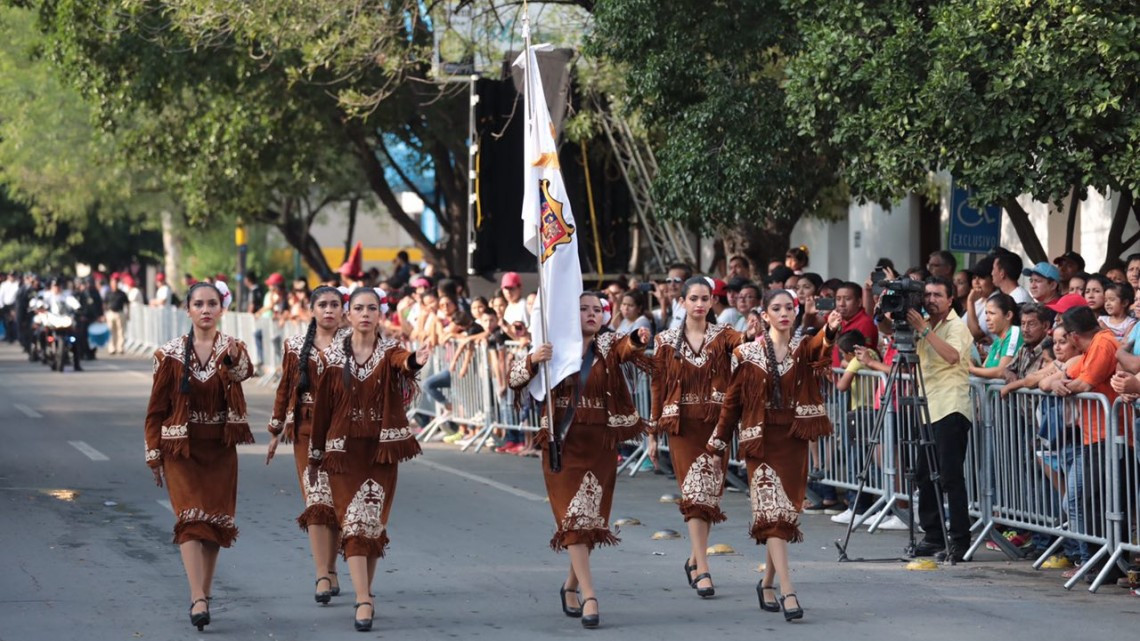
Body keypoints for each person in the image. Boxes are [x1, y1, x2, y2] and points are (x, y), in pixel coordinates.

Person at [511, 293, 650, 629]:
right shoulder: (552, 346)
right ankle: (590, 595)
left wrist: (637, 339)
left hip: (600, 445)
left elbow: (628, 348)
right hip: (563, 442)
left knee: (590, 522)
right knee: (574, 519)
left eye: (597, 310)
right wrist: (533, 359)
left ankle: (571, 584)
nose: (591, 314)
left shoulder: (608, 344)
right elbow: (515, 378)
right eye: (584, 309)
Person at [708, 290, 840, 622]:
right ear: (765, 315)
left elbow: (821, 348)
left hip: (794, 440)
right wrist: (718, 442)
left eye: (789, 308)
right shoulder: (746, 352)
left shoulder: (802, 347)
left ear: (796, 313)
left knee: (785, 516)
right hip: (760, 442)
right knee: (773, 515)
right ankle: (788, 589)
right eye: (776, 308)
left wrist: (831, 329)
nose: (784, 313)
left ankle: (766, 582)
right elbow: (732, 402)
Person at [308, 288, 429, 632]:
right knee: (355, 523)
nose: (364, 314)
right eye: (358, 308)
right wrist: (316, 457)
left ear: (380, 314)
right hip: (343, 454)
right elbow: (321, 412)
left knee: (373, 527)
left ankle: (366, 591)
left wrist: (416, 360)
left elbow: (404, 363)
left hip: (381, 453)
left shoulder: (390, 350)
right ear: (349, 314)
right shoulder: (331, 358)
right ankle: (363, 599)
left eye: (371, 308)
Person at [143, 281, 254, 631]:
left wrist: (234, 358)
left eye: (212, 304)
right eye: (198, 304)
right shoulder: (169, 354)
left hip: (220, 448)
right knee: (190, 520)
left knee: (215, 525)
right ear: (187, 310)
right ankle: (198, 596)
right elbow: (155, 410)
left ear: (222, 309)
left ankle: (203, 592)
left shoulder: (233, 348)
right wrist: (154, 453)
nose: (205, 310)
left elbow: (245, 373)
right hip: (181, 449)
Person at [648, 277, 742, 599]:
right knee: (694, 495)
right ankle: (703, 569)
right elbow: (657, 386)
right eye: (693, 298)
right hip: (682, 428)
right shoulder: (665, 340)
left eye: (705, 298)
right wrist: (651, 433)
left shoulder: (726, 337)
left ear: (713, 301)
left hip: (717, 425)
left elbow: (753, 350)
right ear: (683, 303)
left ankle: (693, 558)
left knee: (710, 498)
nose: (700, 304)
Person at [265, 286, 346, 605]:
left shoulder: (355, 344)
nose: (329, 310)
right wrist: (274, 431)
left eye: (335, 305)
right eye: (322, 304)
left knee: (338, 504)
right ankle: (321, 575)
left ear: (343, 310)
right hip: (306, 430)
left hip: (344, 430)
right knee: (316, 502)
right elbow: (285, 389)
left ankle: (333, 566)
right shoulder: (295, 345)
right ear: (311, 309)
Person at [897, 277, 974, 562]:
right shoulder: (926, 324)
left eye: (937, 295)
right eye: (927, 294)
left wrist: (925, 330)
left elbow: (952, 356)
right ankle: (933, 536)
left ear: (950, 299)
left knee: (949, 477)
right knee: (923, 474)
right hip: (927, 407)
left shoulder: (956, 326)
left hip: (951, 407)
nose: (931, 299)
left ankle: (960, 541)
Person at [968, 293, 1022, 379]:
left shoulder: (1014, 332)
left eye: (992, 313)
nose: (987, 318)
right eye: (986, 313)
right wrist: (973, 362)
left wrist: (972, 369)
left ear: (1008, 315)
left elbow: (1002, 371)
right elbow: (985, 370)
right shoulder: (998, 340)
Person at [832, 281, 878, 368]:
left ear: (859, 302)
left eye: (847, 299)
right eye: (838, 299)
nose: (841, 304)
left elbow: (858, 358)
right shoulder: (836, 318)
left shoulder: (865, 323)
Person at [105, 274, 130, 355]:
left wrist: (128, 313)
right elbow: (104, 303)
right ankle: (112, 348)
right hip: (110, 313)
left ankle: (120, 348)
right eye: (113, 282)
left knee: (121, 331)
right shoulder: (108, 293)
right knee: (111, 331)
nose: (114, 284)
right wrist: (104, 313)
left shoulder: (122, 293)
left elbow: (127, 304)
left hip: (120, 313)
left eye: (116, 282)